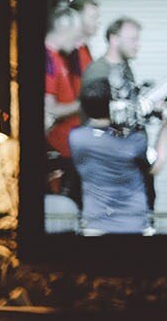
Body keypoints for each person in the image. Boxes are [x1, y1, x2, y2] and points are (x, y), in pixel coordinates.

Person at [66, 76, 155, 234]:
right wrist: (164, 128)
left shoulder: (76, 138)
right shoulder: (133, 141)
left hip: (95, 224)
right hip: (134, 225)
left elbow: (96, 132)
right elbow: (153, 165)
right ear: (112, 106)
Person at [37, 1, 87, 202]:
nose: (78, 42)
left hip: (68, 149)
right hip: (57, 151)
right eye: (76, 35)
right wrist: (85, 105)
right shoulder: (47, 59)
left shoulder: (58, 58)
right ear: (63, 28)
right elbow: (49, 109)